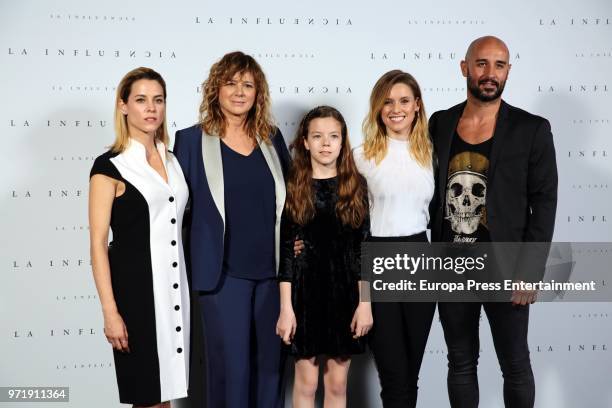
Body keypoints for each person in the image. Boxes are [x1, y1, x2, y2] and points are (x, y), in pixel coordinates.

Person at [429, 36, 558, 408]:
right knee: (461, 363)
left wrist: (530, 269)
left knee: (515, 364)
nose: (490, 73)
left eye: (499, 65)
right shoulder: (439, 123)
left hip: (508, 266)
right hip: (451, 265)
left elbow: (544, 202)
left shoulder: (532, 129)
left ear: (508, 71)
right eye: (481, 63)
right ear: (464, 68)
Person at [173, 51, 290, 408]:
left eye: (248, 84)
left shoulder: (272, 139)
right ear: (215, 89)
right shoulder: (190, 141)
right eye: (231, 83)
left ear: (258, 93)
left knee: (270, 371)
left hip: (272, 276)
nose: (239, 91)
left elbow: (293, 203)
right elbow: (177, 211)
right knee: (232, 374)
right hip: (222, 276)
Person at [89, 67, 190, 407]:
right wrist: (110, 313)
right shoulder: (109, 166)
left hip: (176, 291)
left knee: (166, 396)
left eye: (158, 100)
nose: (151, 108)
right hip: (136, 297)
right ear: (123, 106)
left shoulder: (174, 161)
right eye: (141, 100)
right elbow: (98, 245)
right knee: (146, 397)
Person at [276, 106, 372, 408]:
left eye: (333, 136)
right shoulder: (293, 187)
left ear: (343, 141)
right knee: (305, 383)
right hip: (304, 297)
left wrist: (365, 304)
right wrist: (286, 309)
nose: (326, 143)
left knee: (337, 383)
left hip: (345, 296)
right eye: (317, 136)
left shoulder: (356, 186)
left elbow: (363, 250)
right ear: (305, 141)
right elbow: (286, 255)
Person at [354, 70, 436, 408]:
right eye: (387, 101)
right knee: (393, 376)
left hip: (421, 257)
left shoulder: (433, 153)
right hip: (380, 258)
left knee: (410, 376)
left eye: (404, 100)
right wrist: (363, 296)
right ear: (377, 108)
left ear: (417, 105)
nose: (395, 108)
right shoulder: (361, 156)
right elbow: (355, 233)